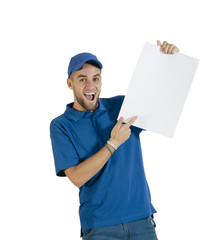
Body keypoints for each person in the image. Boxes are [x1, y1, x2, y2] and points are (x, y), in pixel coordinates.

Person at [50, 40, 179, 240]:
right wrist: (113, 144)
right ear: (70, 83)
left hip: (142, 222)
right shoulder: (61, 125)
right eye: (82, 79)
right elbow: (76, 177)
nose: (90, 85)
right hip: (100, 227)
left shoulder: (121, 106)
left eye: (96, 78)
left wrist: (170, 62)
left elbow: (163, 101)